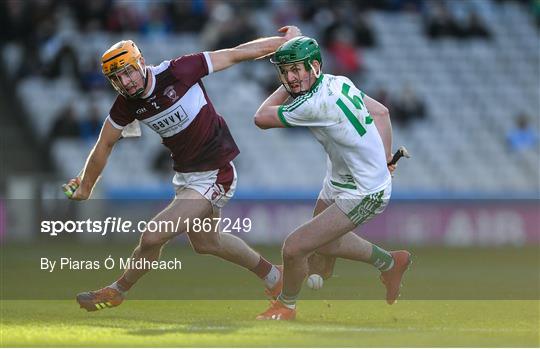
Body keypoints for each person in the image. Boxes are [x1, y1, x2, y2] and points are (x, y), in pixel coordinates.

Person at [65, 26, 302, 312]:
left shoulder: (179, 70)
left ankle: (118, 291)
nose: (126, 82)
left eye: (128, 72)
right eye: (117, 79)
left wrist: (287, 42)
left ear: (141, 62)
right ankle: (274, 276)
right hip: (187, 177)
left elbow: (237, 54)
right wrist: (87, 185)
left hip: (216, 173)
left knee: (153, 234)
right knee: (207, 243)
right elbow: (104, 143)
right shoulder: (127, 105)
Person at [252, 36, 411, 320]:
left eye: (296, 70)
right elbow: (381, 112)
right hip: (339, 179)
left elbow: (261, 117)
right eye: (285, 71)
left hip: (366, 190)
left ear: (314, 67)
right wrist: (386, 159)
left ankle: (286, 306)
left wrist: (287, 86)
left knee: (295, 247)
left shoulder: (314, 104)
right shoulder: (337, 81)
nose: (290, 78)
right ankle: (390, 262)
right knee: (319, 261)